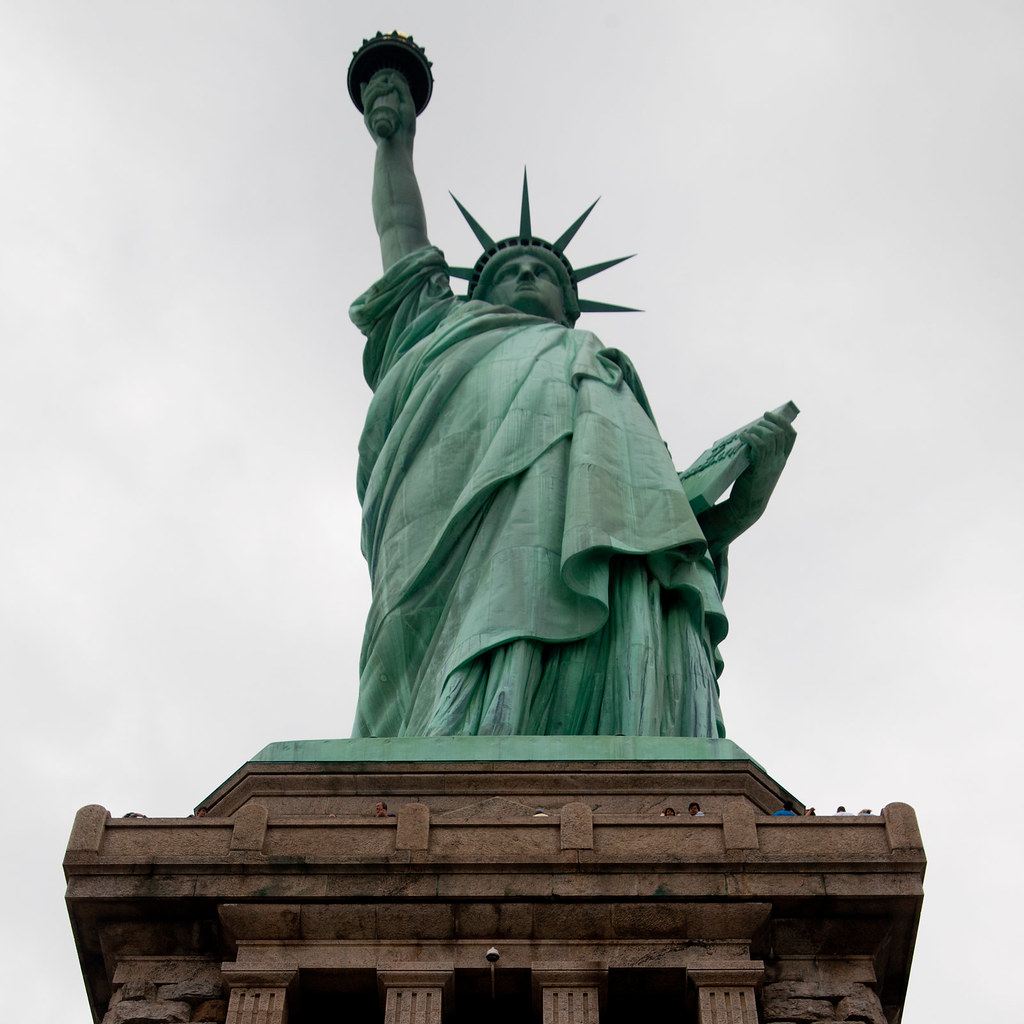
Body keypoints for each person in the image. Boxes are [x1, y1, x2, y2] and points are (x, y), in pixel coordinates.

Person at [350, 70, 795, 738]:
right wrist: (395, 142)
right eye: (507, 273)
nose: (527, 277)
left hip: (582, 581)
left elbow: (653, 533)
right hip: (440, 545)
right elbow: (400, 230)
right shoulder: (436, 327)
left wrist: (747, 489)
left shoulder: (602, 373)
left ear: (569, 303)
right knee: (423, 685)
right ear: (477, 293)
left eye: (544, 275)